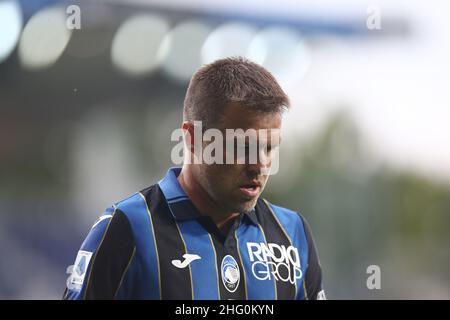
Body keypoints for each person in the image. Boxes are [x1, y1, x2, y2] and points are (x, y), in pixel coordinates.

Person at [64, 57, 325, 300]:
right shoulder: (127, 228)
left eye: (269, 148)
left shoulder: (292, 234)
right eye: (243, 147)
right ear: (192, 137)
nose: (260, 165)